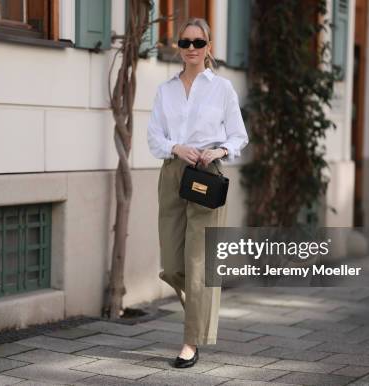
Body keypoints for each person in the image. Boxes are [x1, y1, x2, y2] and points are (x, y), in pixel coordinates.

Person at [147, 17, 249, 368]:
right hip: (174, 174)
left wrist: (218, 151)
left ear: (209, 48)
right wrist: (176, 147)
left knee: (197, 262)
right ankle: (202, 316)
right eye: (185, 42)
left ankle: (190, 342)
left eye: (198, 42)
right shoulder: (166, 90)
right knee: (174, 266)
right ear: (179, 47)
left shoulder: (222, 89)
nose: (191, 48)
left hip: (207, 175)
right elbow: (153, 138)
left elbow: (239, 136)